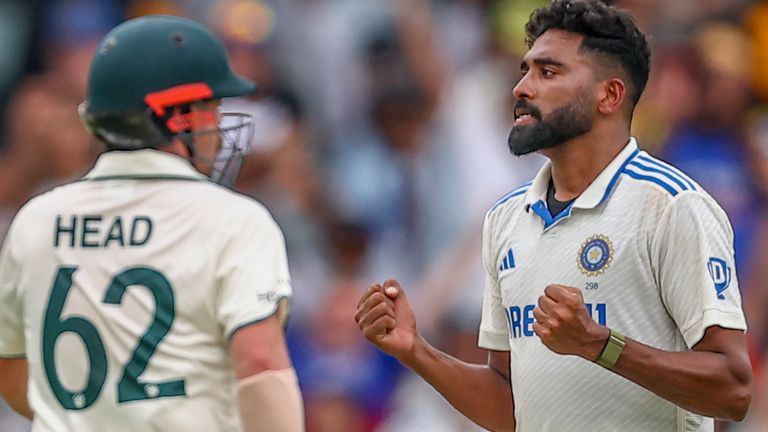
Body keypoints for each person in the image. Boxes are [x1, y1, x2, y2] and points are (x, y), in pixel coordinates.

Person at [354, 1, 753, 431]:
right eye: (525, 70)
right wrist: (416, 349)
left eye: (548, 72)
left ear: (609, 95)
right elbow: (509, 407)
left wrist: (600, 344)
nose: (521, 88)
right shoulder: (506, 220)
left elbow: (732, 390)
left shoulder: (672, 207)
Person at [0, 15, 303, 432]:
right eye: (212, 108)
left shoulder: (35, 219)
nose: (218, 124)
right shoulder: (236, 220)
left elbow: (11, 373)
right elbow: (261, 364)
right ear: (179, 115)